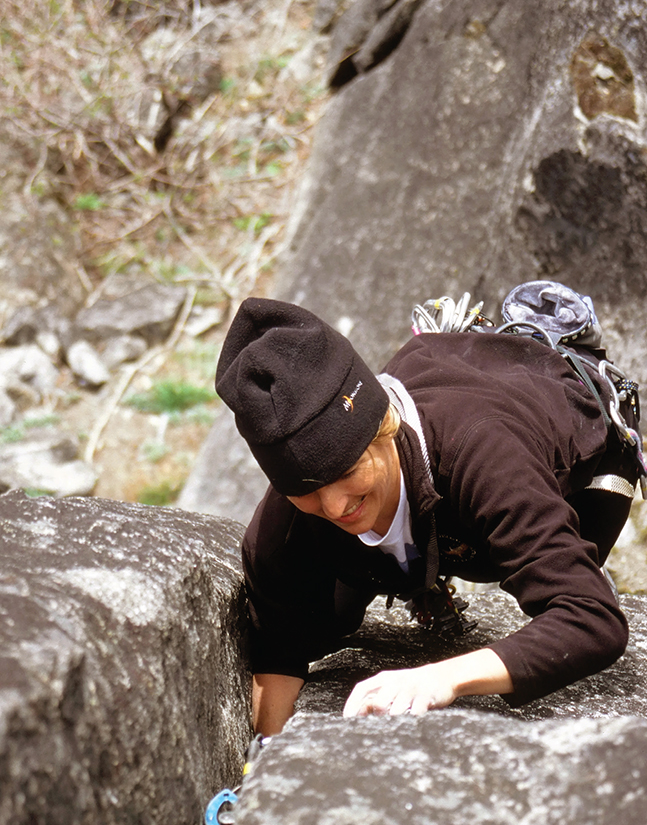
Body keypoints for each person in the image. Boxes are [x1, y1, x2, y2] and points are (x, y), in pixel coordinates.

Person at [215, 295, 640, 736]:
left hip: (561, 440)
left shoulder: (485, 458)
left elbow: (591, 618)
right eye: (307, 493)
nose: (336, 506)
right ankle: (416, 567)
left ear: (384, 426)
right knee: (326, 618)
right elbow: (280, 647)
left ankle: (540, 342)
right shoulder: (280, 530)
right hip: (440, 454)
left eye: (348, 471)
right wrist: (264, 764)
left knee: (512, 562)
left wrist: (440, 678)